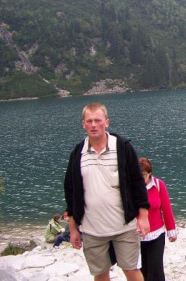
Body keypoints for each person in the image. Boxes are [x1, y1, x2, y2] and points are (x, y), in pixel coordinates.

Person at [64, 102, 150, 281]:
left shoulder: (122, 147)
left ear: (107, 122)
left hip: (124, 226)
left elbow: (137, 183)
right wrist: (73, 229)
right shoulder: (77, 154)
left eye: (97, 120)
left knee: (131, 269)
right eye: (89, 121)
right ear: (83, 124)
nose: (93, 125)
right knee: (100, 273)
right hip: (92, 229)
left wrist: (144, 217)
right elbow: (70, 193)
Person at [138, 157, 178, 281]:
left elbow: (166, 209)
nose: (140, 178)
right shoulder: (132, 187)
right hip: (136, 236)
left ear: (149, 173)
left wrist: (171, 230)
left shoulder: (159, 185)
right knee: (140, 270)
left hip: (156, 234)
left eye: (143, 175)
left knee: (155, 270)